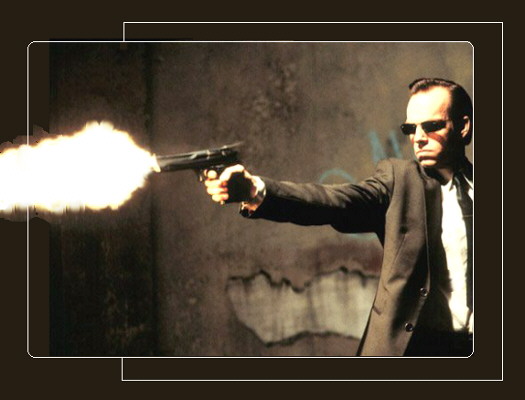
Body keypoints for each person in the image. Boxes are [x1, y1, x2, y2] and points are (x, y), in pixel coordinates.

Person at [204, 78, 473, 357]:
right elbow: (334, 202)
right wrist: (255, 190)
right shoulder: (400, 181)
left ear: (463, 127)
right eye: (410, 128)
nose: (418, 138)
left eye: (431, 126)